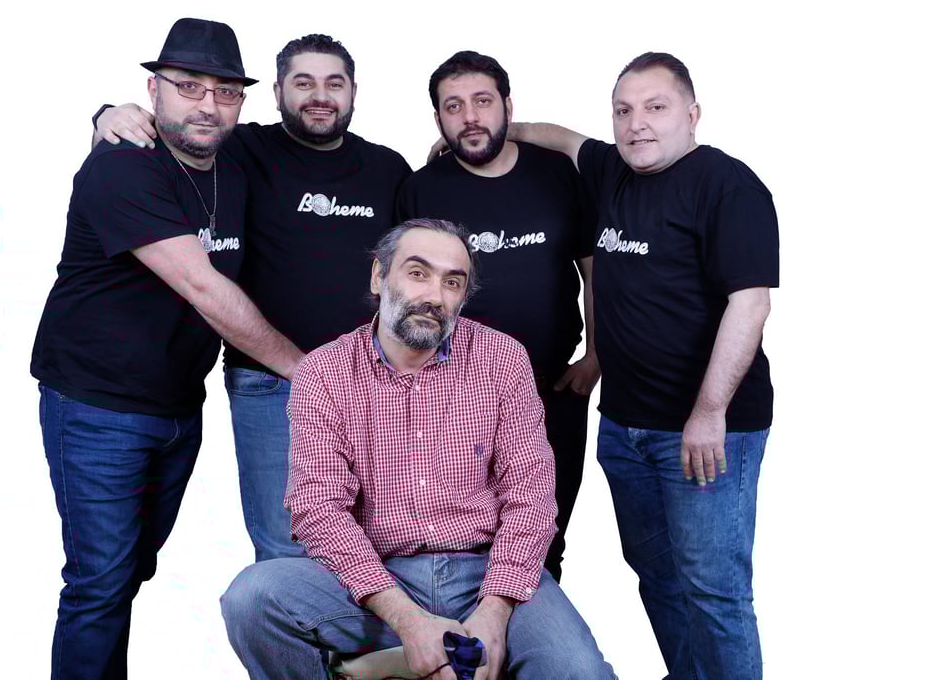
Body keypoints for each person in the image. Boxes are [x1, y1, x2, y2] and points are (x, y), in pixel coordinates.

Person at [219, 219, 616, 680]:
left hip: (487, 572)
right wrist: (408, 621)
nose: (434, 295)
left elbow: (531, 493)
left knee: (578, 670)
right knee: (252, 599)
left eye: (453, 282)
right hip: (377, 581)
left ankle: (433, 652)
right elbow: (318, 508)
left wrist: (495, 612)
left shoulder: (501, 358)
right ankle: (397, 656)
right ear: (378, 276)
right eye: (418, 273)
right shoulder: (324, 372)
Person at [31, 18, 304, 679]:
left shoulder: (232, 158)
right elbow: (201, 287)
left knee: (129, 568)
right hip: (97, 407)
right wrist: (309, 370)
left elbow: (316, 132)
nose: (207, 104)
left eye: (226, 92)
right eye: (188, 87)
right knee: (98, 582)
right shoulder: (122, 167)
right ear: (153, 91)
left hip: (178, 406)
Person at [93, 34, 412, 562]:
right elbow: (172, 127)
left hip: (370, 382)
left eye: (334, 83)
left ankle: (373, 647)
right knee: (288, 548)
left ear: (353, 92)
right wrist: (110, 113)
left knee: (383, 538)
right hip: (268, 385)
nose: (320, 96)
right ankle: (293, 646)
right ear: (278, 92)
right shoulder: (240, 150)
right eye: (303, 82)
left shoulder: (388, 168)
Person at [510, 52, 778, 679]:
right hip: (625, 427)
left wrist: (709, 413)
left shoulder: (727, 185)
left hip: (708, 434)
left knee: (714, 593)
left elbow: (751, 303)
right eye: (623, 111)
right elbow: (561, 138)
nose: (637, 125)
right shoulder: (613, 171)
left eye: (655, 108)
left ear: (692, 113)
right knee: (658, 577)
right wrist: (502, 132)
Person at [398, 51, 597, 582]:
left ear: (507, 105)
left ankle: (534, 653)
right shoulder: (423, 187)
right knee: (464, 541)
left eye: (482, 102)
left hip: (553, 390)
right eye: (453, 106)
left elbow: (594, 270)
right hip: (454, 397)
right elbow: (401, 293)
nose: (470, 117)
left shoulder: (558, 174)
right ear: (438, 119)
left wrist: (597, 356)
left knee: (545, 538)